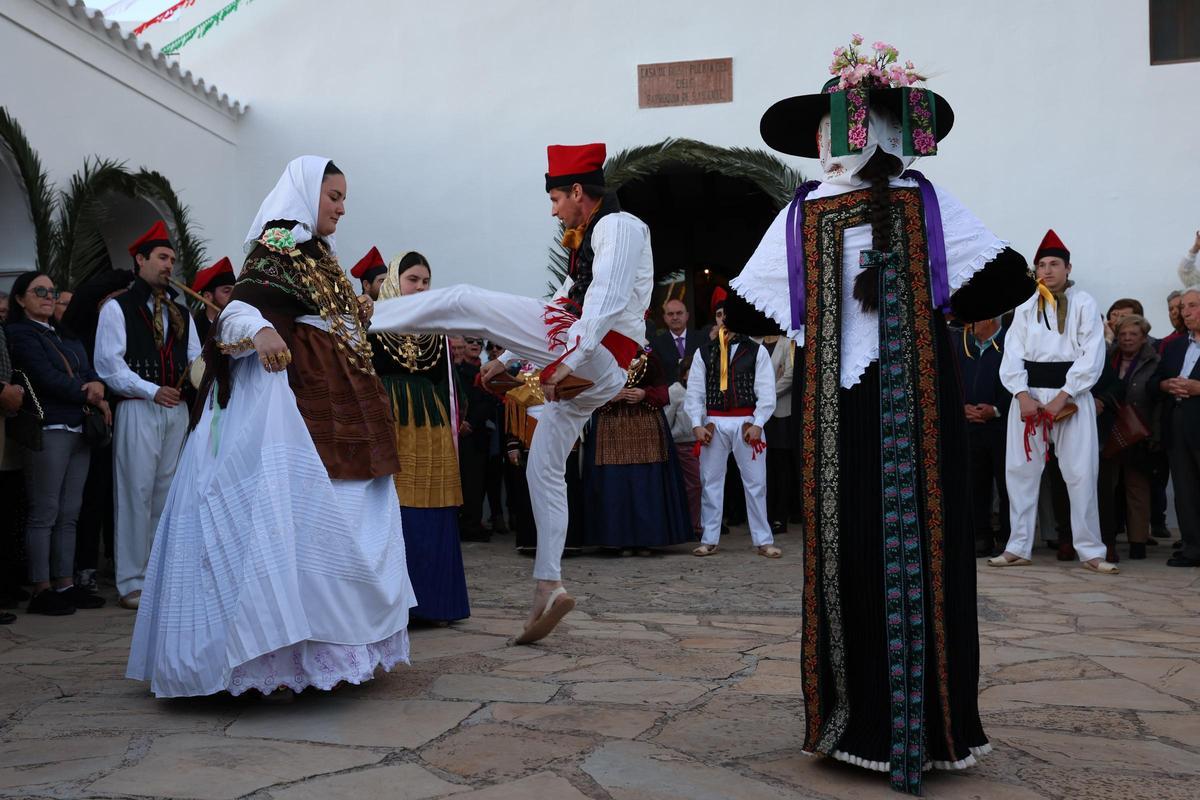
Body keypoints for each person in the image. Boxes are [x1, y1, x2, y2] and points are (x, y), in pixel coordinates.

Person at [727, 39, 1037, 792]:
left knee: (855, 547)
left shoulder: (817, 211)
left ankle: (862, 725)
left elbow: (737, 303)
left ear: (844, 132)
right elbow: (1007, 280)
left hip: (849, 403)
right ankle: (916, 730)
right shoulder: (918, 200)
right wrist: (934, 300)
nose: (824, 143)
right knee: (908, 547)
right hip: (902, 400)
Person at [126, 156, 416, 698]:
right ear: (307, 194)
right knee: (299, 517)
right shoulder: (280, 245)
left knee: (348, 513)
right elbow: (238, 310)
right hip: (299, 403)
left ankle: (332, 649)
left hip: (340, 400)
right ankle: (274, 653)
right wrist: (260, 331)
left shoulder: (319, 254)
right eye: (333, 196)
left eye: (344, 198)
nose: (341, 207)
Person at [372, 142, 653, 644]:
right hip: (592, 362)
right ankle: (549, 584)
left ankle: (361, 322)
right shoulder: (586, 237)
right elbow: (563, 298)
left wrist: (569, 357)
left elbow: (606, 299)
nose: (552, 210)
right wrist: (503, 361)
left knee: (465, 299)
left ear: (575, 191)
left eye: (555, 200)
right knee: (544, 467)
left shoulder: (620, 226)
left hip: (595, 351)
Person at [990, 230, 1115, 573]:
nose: (1047, 270)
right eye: (1042, 265)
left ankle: (1090, 550)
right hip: (1029, 398)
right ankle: (1018, 546)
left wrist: (1065, 395)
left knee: (1080, 473)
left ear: (1068, 267)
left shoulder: (1085, 303)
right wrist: (1021, 395)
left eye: (1054, 264)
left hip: (1071, 398)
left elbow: (1092, 354)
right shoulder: (1025, 306)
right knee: (1020, 472)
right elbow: (1012, 355)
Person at [95, 221, 202, 610]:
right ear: (139, 260)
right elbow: (109, 365)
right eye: (161, 258)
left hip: (173, 410)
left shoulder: (181, 311)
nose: (168, 265)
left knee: (166, 494)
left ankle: (157, 576)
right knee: (135, 493)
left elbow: (193, 359)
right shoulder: (116, 307)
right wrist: (151, 389)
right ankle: (131, 581)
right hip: (139, 408)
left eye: (172, 259)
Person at [370, 251, 470, 622]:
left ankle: (438, 603)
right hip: (389, 419)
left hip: (431, 424)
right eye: (413, 279)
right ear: (396, 280)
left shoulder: (435, 328)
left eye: (426, 281)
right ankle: (397, 606)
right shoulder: (374, 321)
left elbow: (445, 383)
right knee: (395, 507)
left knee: (435, 507)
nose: (421, 287)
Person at [5, 271, 111, 615]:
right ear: (21, 299)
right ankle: (41, 587)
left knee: (69, 513)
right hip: (48, 426)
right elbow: (42, 376)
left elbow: (88, 369)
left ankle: (65, 583)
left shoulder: (63, 333)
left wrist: (94, 385)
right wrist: (89, 393)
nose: (49, 296)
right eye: (40, 291)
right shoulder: (20, 333)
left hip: (78, 426)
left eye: (52, 291)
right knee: (45, 511)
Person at [685, 305, 778, 558]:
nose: (723, 318)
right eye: (718, 314)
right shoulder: (703, 353)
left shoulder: (756, 351)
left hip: (747, 422)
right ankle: (709, 538)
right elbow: (695, 392)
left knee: (756, 482)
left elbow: (766, 391)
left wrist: (758, 423)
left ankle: (763, 539)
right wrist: (697, 423)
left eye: (727, 313)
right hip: (714, 422)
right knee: (710, 481)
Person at [581, 347, 693, 553]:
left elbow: (663, 391)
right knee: (614, 482)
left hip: (646, 425)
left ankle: (647, 538)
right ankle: (614, 539)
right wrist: (608, 396)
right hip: (610, 426)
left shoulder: (649, 356)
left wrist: (644, 393)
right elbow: (585, 390)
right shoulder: (597, 354)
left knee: (645, 481)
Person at [1099, 314, 1160, 560]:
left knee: (1137, 488)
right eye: (1123, 334)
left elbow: (1157, 402)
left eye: (1133, 334)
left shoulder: (1154, 362)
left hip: (1138, 432)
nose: (1127, 339)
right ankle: (1107, 538)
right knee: (1106, 486)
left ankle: (1137, 542)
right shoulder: (1107, 357)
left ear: (1144, 337)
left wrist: (1155, 434)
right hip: (1109, 430)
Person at [955, 317, 1011, 557]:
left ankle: (1010, 537)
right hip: (971, 425)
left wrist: (997, 409)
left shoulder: (1012, 340)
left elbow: (1020, 381)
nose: (969, 324)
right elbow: (952, 378)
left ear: (989, 318)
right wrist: (962, 406)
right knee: (976, 483)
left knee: (1008, 485)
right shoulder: (961, 344)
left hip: (1004, 426)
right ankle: (981, 536)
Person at [1157, 286, 1200, 567]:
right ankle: (1192, 548)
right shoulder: (1174, 345)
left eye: (1192, 306)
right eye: (1183, 307)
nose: (1186, 312)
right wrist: (1165, 384)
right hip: (1178, 424)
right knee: (1185, 490)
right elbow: (1154, 381)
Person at [763, 333, 796, 535]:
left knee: (781, 467)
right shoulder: (755, 343)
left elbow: (790, 375)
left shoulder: (787, 343)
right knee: (763, 467)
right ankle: (765, 515)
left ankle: (780, 517)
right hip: (760, 414)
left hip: (781, 413)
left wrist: (765, 394)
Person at [651, 298, 704, 383]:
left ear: (687, 316)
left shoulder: (702, 339)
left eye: (679, 313)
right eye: (670, 314)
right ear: (664, 318)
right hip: (669, 394)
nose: (675, 317)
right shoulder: (656, 344)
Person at [190, 257, 236, 342]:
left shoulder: (239, 323)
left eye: (234, 291)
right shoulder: (193, 330)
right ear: (207, 297)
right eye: (226, 291)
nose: (233, 296)